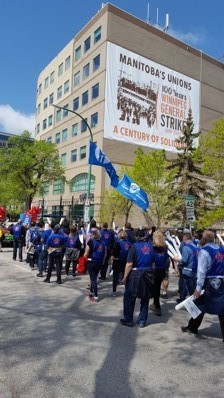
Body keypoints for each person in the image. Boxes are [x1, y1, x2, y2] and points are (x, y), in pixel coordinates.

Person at [181, 230, 224, 342]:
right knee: (221, 308)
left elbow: (201, 272)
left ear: (204, 239)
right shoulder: (222, 249)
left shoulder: (204, 251)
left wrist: (198, 288)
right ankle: (192, 326)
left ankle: (192, 327)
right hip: (222, 282)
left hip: (208, 282)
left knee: (199, 305)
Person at [120, 229, 155, 328]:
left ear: (136, 237)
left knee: (129, 296)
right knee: (145, 297)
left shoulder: (134, 247)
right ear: (144, 236)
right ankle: (142, 321)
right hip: (148, 273)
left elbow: (129, 264)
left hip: (136, 274)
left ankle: (128, 319)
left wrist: (125, 277)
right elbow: (153, 261)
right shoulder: (151, 246)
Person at [150, 231, 170, 316]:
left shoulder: (153, 247)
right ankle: (155, 304)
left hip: (155, 270)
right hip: (162, 270)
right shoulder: (165, 247)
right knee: (157, 288)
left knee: (155, 289)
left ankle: (157, 307)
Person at [84, 229, 106, 302]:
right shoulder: (103, 242)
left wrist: (84, 257)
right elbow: (105, 253)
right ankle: (91, 291)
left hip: (92, 261)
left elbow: (86, 252)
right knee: (94, 277)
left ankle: (96, 296)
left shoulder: (91, 242)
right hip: (99, 262)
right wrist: (103, 260)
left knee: (93, 279)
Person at [177, 232, 199, 302]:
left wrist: (176, 259)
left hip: (187, 270)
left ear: (185, 238)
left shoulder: (186, 247)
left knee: (189, 288)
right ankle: (182, 299)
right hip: (194, 270)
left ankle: (194, 303)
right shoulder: (195, 247)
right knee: (186, 286)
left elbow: (184, 260)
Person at [111, 230, 131, 296]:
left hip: (118, 261)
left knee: (115, 277)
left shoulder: (118, 243)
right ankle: (126, 290)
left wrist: (113, 257)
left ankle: (114, 291)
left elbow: (114, 254)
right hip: (126, 261)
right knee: (125, 276)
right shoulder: (129, 243)